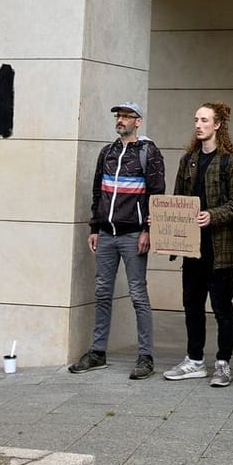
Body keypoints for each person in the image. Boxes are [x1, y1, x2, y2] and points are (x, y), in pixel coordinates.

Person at [70, 102, 164, 379]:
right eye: (118, 116)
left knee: (138, 295)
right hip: (106, 235)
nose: (120, 120)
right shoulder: (107, 152)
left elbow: (156, 195)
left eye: (126, 116)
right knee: (102, 293)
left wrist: (149, 231)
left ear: (138, 121)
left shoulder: (149, 153)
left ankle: (145, 357)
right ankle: (98, 352)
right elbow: (98, 191)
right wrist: (95, 227)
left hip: (134, 234)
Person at [164, 101, 233, 387]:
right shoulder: (188, 158)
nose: (198, 125)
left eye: (204, 120)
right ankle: (195, 360)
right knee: (192, 305)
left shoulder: (231, 161)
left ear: (217, 125)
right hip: (192, 248)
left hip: (220, 249)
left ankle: (223, 364)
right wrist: (165, 221)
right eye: (196, 119)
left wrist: (211, 215)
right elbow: (177, 198)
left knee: (223, 307)